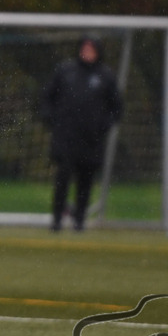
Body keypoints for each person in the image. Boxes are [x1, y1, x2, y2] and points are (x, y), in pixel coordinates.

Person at [40, 36, 123, 232]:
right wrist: (52, 120)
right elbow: (47, 98)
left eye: (91, 49)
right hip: (66, 137)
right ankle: (57, 220)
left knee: (85, 180)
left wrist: (103, 125)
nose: (87, 52)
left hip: (91, 139)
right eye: (85, 48)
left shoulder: (105, 76)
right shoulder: (65, 71)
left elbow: (117, 108)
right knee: (62, 178)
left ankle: (79, 221)